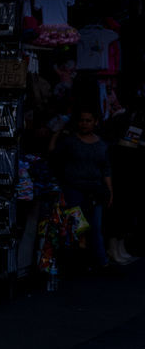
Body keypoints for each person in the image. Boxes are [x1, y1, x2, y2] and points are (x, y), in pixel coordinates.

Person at [49, 108, 114, 269]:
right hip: (74, 190)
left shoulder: (101, 145)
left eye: (88, 120)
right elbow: (53, 155)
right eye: (82, 120)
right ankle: (75, 263)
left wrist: (110, 191)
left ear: (95, 122)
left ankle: (100, 262)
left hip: (95, 191)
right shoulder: (70, 142)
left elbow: (106, 169)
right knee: (76, 227)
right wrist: (56, 134)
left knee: (95, 226)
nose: (84, 124)